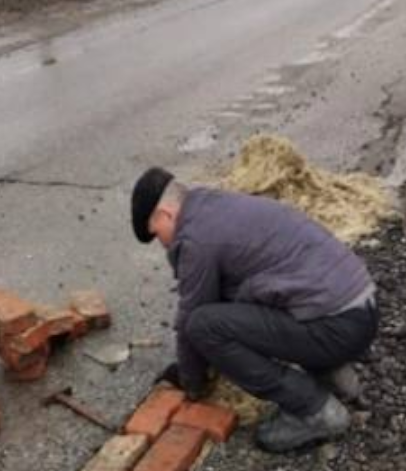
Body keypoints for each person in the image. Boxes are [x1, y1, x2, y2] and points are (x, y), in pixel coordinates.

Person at [131, 168, 380, 453]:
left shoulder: (196, 239)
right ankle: (335, 377)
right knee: (238, 300)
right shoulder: (215, 205)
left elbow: (193, 318)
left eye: (156, 233)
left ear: (165, 214)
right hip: (361, 308)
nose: (161, 243)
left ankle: (317, 410)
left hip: (337, 327)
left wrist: (192, 383)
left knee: (203, 326)